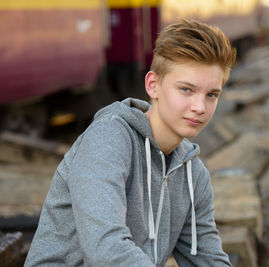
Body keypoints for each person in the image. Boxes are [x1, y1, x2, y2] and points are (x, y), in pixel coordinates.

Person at [25, 19, 236, 266]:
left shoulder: (193, 174)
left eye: (211, 95)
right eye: (186, 90)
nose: (200, 107)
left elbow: (209, 259)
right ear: (153, 85)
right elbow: (106, 250)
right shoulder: (108, 140)